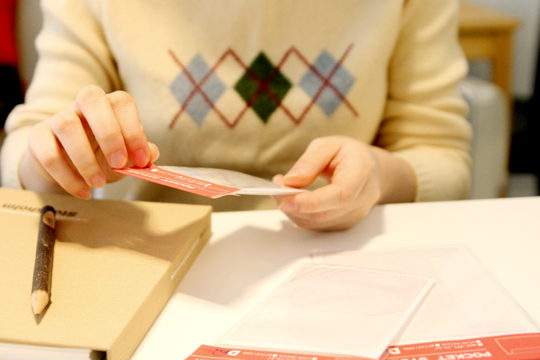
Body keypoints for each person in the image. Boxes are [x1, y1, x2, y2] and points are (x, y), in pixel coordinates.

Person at [1, 0, 472, 231]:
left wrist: (380, 176)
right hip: (149, 263)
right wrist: (48, 159)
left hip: (341, 263)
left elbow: (443, 155)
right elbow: (27, 142)